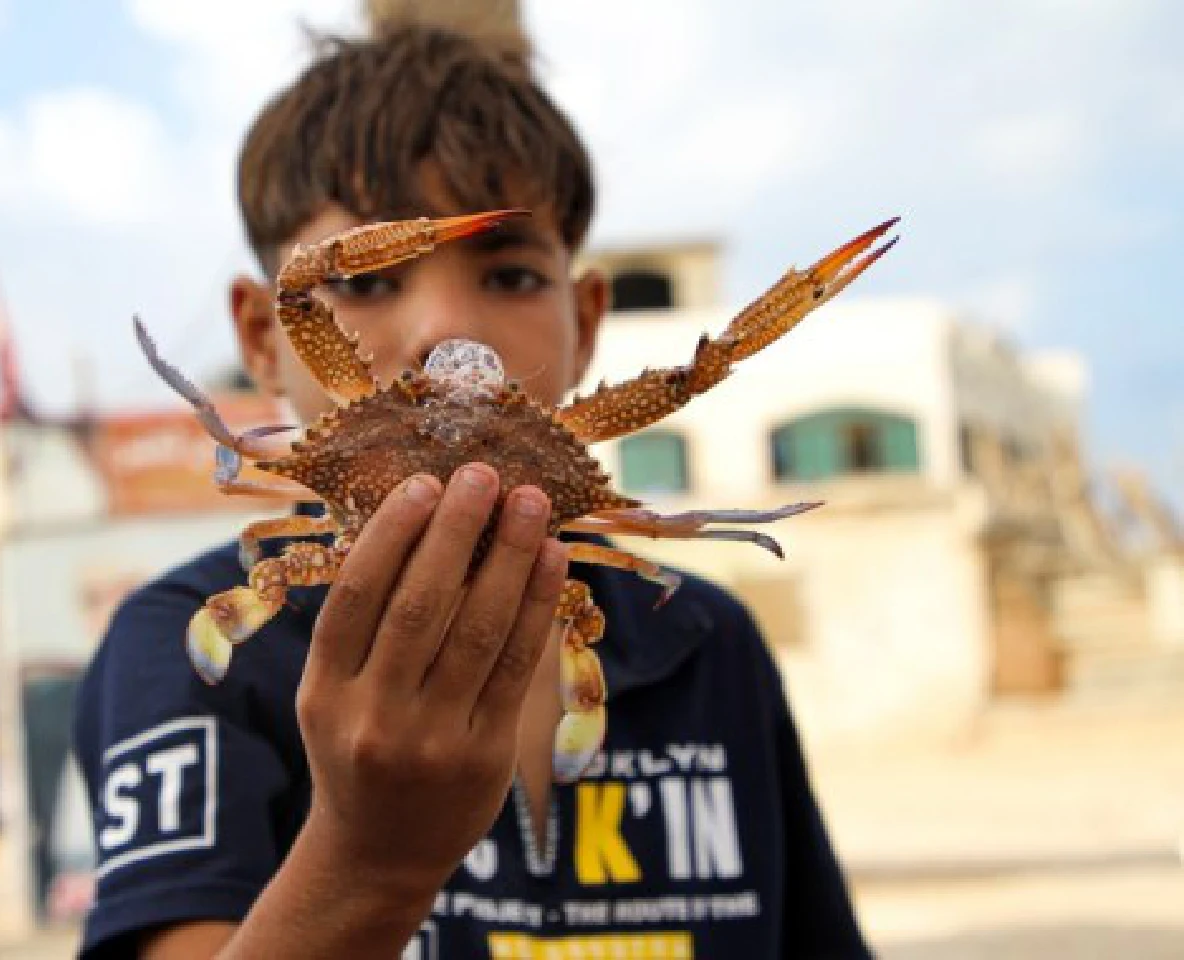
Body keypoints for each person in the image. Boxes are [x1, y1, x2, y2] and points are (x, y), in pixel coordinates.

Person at [73, 13, 873, 960]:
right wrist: (369, 861)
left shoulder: (709, 648)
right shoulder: (179, 651)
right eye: (368, 284)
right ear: (262, 333)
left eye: (509, 273)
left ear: (587, 322)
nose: (452, 332)